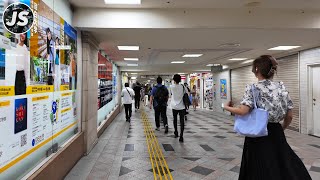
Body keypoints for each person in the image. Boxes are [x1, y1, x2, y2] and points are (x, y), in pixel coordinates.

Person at [223, 55, 311, 180]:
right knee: (283, 164)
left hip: (258, 133)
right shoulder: (281, 87)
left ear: (257, 69)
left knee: (258, 166)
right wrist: (280, 129)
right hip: (277, 132)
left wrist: (226, 107)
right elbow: (290, 116)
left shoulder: (253, 88)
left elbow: (243, 111)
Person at [170, 74, 187, 142]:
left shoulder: (171, 86)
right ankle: (181, 135)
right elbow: (187, 93)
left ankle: (176, 132)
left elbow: (170, 94)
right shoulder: (183, 87)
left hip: (174, 106)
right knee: (182, 121)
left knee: (175, 119)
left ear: (174, 80)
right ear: (180, 80)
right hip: (182, 106)